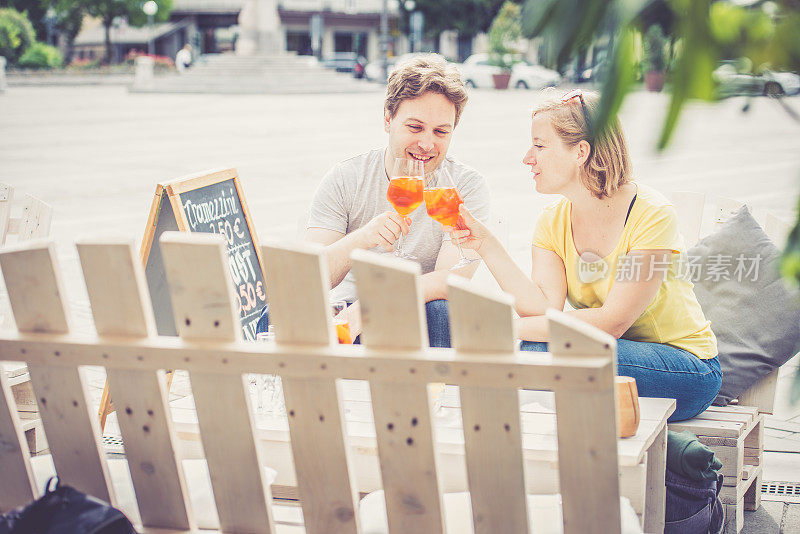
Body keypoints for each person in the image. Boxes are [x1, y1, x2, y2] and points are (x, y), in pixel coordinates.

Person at [449, 89, 721, 421]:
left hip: (685, 369)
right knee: (537, 354)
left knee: (537, 353)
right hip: (610, 359)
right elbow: (543, 307)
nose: (527, 158)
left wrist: (511, 327)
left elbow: (611, 323)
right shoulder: (552, 221)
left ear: (580, 151)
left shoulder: (652, 214)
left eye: (539, 145)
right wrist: (485, 244)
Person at [257, 54, 490, 347]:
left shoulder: (465, 186)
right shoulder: (347, 178)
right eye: (415, 127)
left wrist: (370, 308)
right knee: (277, 313)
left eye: (441, 132)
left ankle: (438, 392)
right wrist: (362, 238)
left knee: (442, 311)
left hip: (417, 313)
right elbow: (307, 278)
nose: (427, 144)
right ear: (387, 120)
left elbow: (451, 279)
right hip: (347, 314)